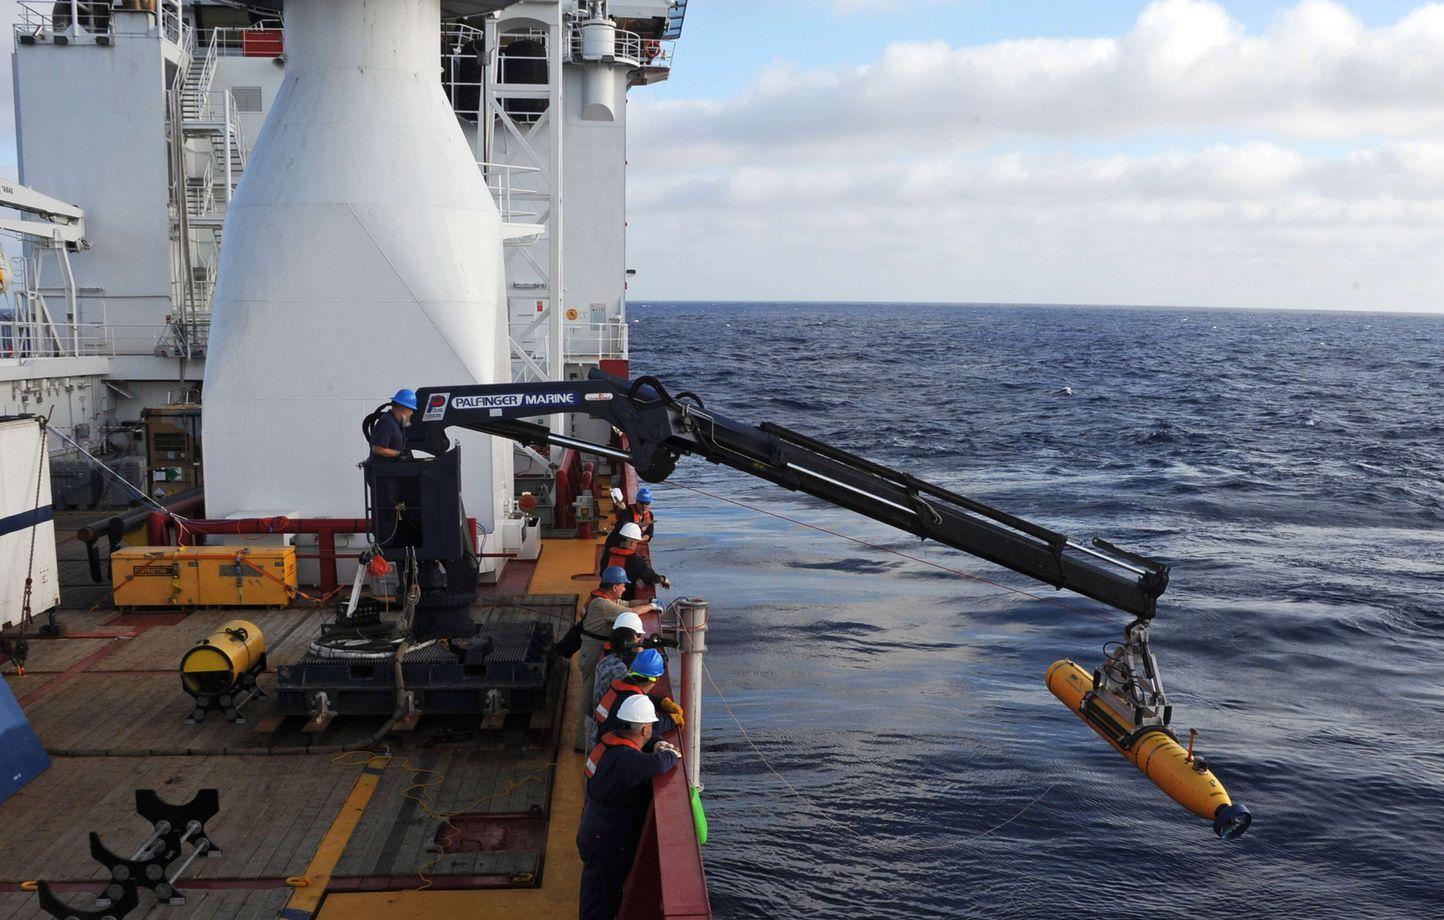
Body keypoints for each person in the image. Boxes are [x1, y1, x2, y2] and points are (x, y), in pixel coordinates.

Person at [578, 694, 680, 920]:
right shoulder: (628, 760)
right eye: (650, 727)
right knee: (600, 903)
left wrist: (656, 743)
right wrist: (669, 753)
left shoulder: (608, 742)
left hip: (594, 830)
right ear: (644, 730)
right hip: (606, 841)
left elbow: (641, 749)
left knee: (597, 894)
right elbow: (659, 764)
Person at [576, 567, 658, 751]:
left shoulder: (608, 600)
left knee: (592, 695)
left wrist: (648, 601)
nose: (624, 588)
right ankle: (581, 742)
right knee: (588, 696)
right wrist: (653, 607)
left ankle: (586, 740)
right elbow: (632, 612)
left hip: (594, 650)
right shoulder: (602, 604)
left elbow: (628, 604)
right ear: (614, 586)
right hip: (592, 652)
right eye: (622, 585)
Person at [589, 647, 683, 749]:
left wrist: (660, 702)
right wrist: (672, 720)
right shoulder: (633, 700)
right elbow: (652, 725)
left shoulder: (619, 685)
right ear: (656, 679)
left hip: (599, 741)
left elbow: (634, 694)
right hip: (613, 748)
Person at [600, 522, 669, 602]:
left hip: (606, 596)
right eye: (636, 542)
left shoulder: (607, 555)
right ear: (632, 543)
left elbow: (602, 573)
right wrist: (663, 579)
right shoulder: (635, 560)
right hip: (625, 600)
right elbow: (651, 578)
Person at [602, 486, 656, 554]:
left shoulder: (650, 515)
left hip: (631, 546)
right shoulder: (627, 513)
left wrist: (636, 540)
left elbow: (649, 534)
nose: (644, 507)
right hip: (616, 544)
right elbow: (623, 530)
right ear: (636, 502)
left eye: (647, 503)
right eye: (642, 503)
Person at [369, 389, 416, 459]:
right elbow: (377, 449)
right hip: (383, 466)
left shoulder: (396, 423)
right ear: (403, 407)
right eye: (411, 409)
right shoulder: (387, 422)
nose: (411, 413)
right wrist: (398, 454)